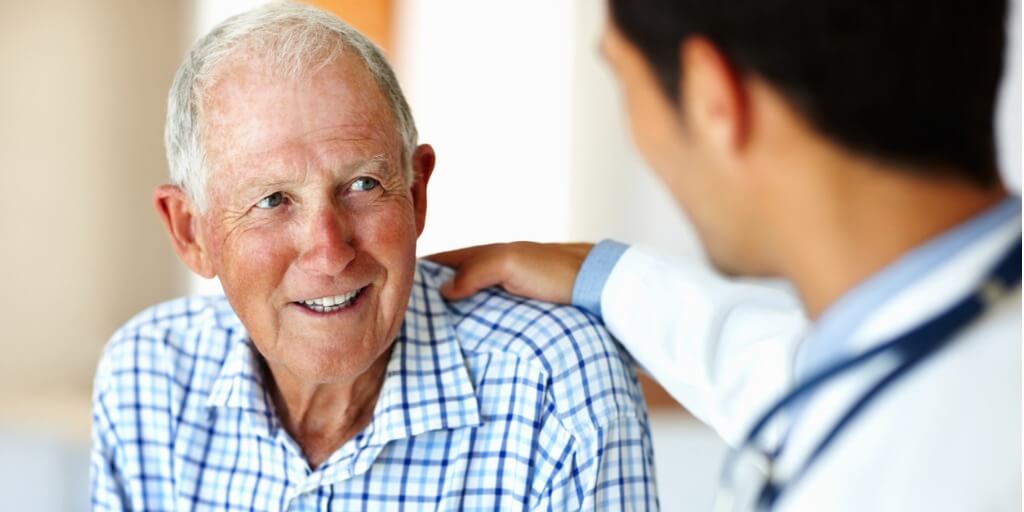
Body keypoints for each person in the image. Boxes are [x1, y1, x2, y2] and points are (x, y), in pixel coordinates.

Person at [430, 0, 1021, 510]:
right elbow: (808, 374)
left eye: (623, 81)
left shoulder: (942, 461)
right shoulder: (940, 350)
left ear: (714, 97)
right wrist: (606, 277)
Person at [89, 4, 658, 510]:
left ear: (415, 193)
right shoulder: (147, 375)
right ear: (190, 231)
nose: (330, 251)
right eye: (272, 200)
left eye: (362, 184)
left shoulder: (553, 385)